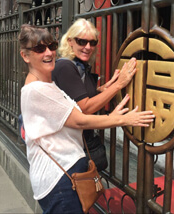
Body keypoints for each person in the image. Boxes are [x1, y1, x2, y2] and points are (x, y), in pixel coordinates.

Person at [19, 24, 154, 213]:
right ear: (25, 55)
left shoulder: (45, 81)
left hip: (63, 171)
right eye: (40, 49)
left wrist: (105, 88)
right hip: (59, 177)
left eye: (51, 46)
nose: (48, 52)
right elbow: (80, 117)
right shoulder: (41, 87)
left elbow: (72, 104)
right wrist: (122, 118)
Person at [53, 18, 137, 171]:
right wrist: (119, 84)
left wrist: (101, 90)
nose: (88, 47)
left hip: (75, 145)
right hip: (71, 148)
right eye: (82, 41)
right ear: (70, 41)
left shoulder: (77, 65)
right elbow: (83, 108)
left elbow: (72, 96)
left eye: (92, 43)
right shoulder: (66, 66)